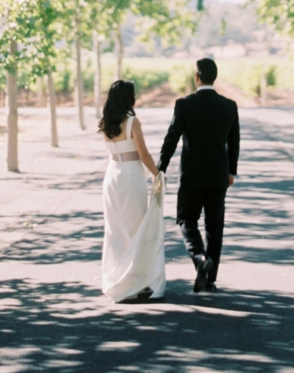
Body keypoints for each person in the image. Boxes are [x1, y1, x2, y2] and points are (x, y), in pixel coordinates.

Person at [158, 57, 240, 293]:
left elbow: (171, 139)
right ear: (215, 77)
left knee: (186, 219)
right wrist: (231, 171)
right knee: (215, 227)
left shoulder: (184, 104)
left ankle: (200, 259)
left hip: (191, 177)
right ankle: (209, 279)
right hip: (218, 176)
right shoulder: (229, 105)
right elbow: (234, 142)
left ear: (196, 77)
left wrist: (160, 168)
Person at [99, 79, 166, 303]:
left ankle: (119, 279)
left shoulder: (106, 123)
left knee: (115, 229)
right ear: (129, 97)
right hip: (130, 176)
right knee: (136, 227)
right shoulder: (132, 122)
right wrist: (158, 174)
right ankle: (135, 281)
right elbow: (143, 155)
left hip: (112, 175)